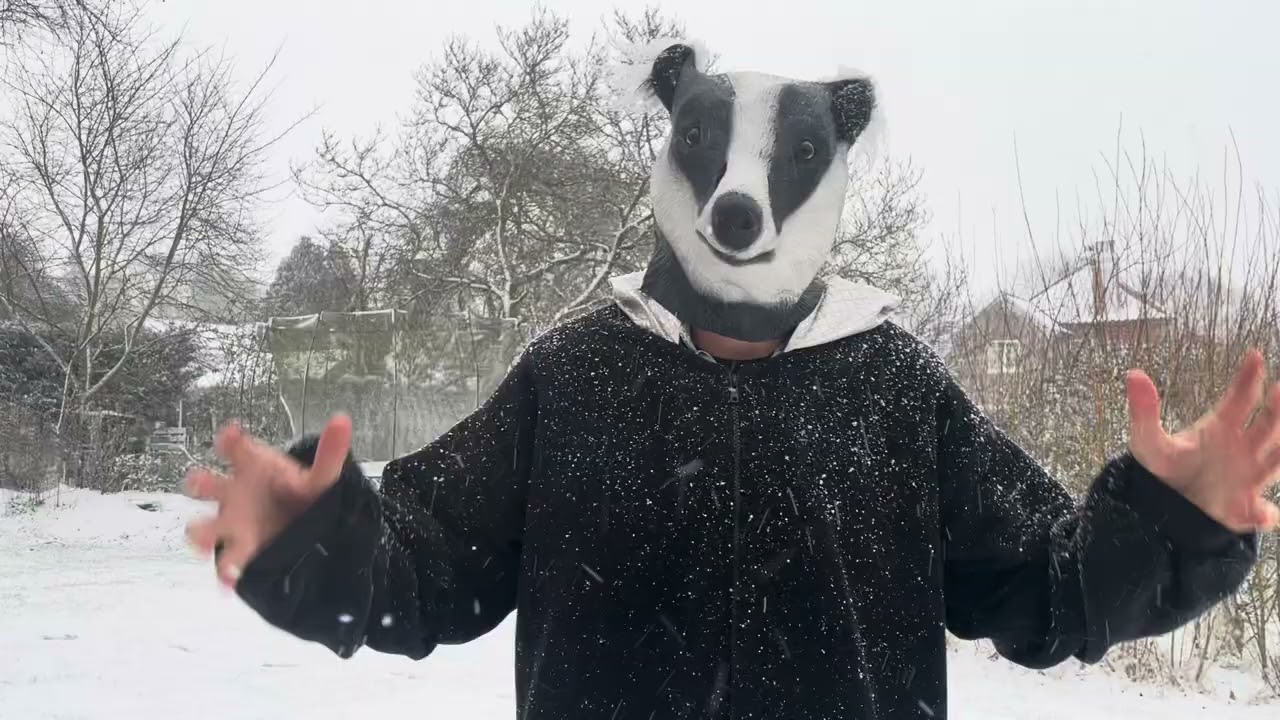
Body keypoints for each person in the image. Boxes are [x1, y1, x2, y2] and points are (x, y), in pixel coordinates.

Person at [184, 42, 1277, 720]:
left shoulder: (895, 387)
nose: (735, 200)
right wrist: (314, 542)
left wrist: (1171, 528)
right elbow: (425, 569)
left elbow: (1047, 588)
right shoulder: (572, 377)